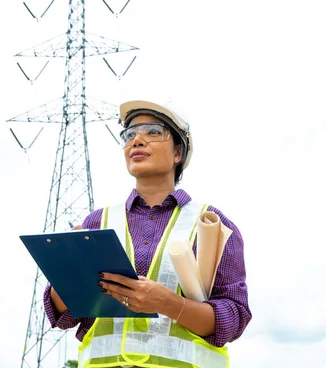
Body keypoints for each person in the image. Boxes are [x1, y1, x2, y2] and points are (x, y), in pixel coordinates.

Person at [43, 100, 251, 368]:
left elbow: (233, 317)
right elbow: (63, 315)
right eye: (129, 134)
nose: (137, 140)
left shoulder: (211, 224)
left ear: (178, 153)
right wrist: (69, 274)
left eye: (153, 132)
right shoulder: (98, 222)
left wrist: (170, 304)